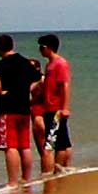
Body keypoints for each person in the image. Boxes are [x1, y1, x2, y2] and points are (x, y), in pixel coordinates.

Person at [0, 35, 42, 188]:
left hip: (7, 108)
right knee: (24, 146)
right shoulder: (25, 62)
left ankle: (13, 182)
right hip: (24, 108)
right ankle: (26, 179)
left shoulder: (1, 64)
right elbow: (41, 79)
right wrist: (31, 92)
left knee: (10, 146)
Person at [37, 33, 73, 174]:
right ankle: (59, 169)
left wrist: (64, 108)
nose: (40, 50)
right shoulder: (49, 65)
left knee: (52, 145)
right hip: (48, 108)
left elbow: (65, 85)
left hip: (56, 109)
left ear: (49, 48)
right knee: (59, 143)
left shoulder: (60, 64)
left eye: (42, 47)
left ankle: (54, 171)